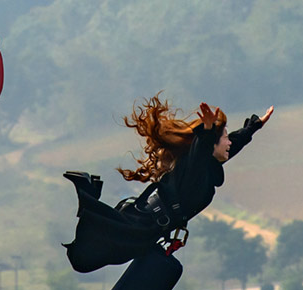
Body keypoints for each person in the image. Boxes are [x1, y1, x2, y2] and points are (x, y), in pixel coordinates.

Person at [61, 97, 273, 273]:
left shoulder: (205, 166)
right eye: (225, 137)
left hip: (147, 224)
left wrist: (253, 127)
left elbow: (228, 146)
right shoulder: (195, 165)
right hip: (143, 222)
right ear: (211, 145)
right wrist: (207, 129)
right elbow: (201, 151)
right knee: (81, 260)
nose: (229, 142)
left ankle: (88, 194)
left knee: (85, 255)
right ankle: (86, 193)